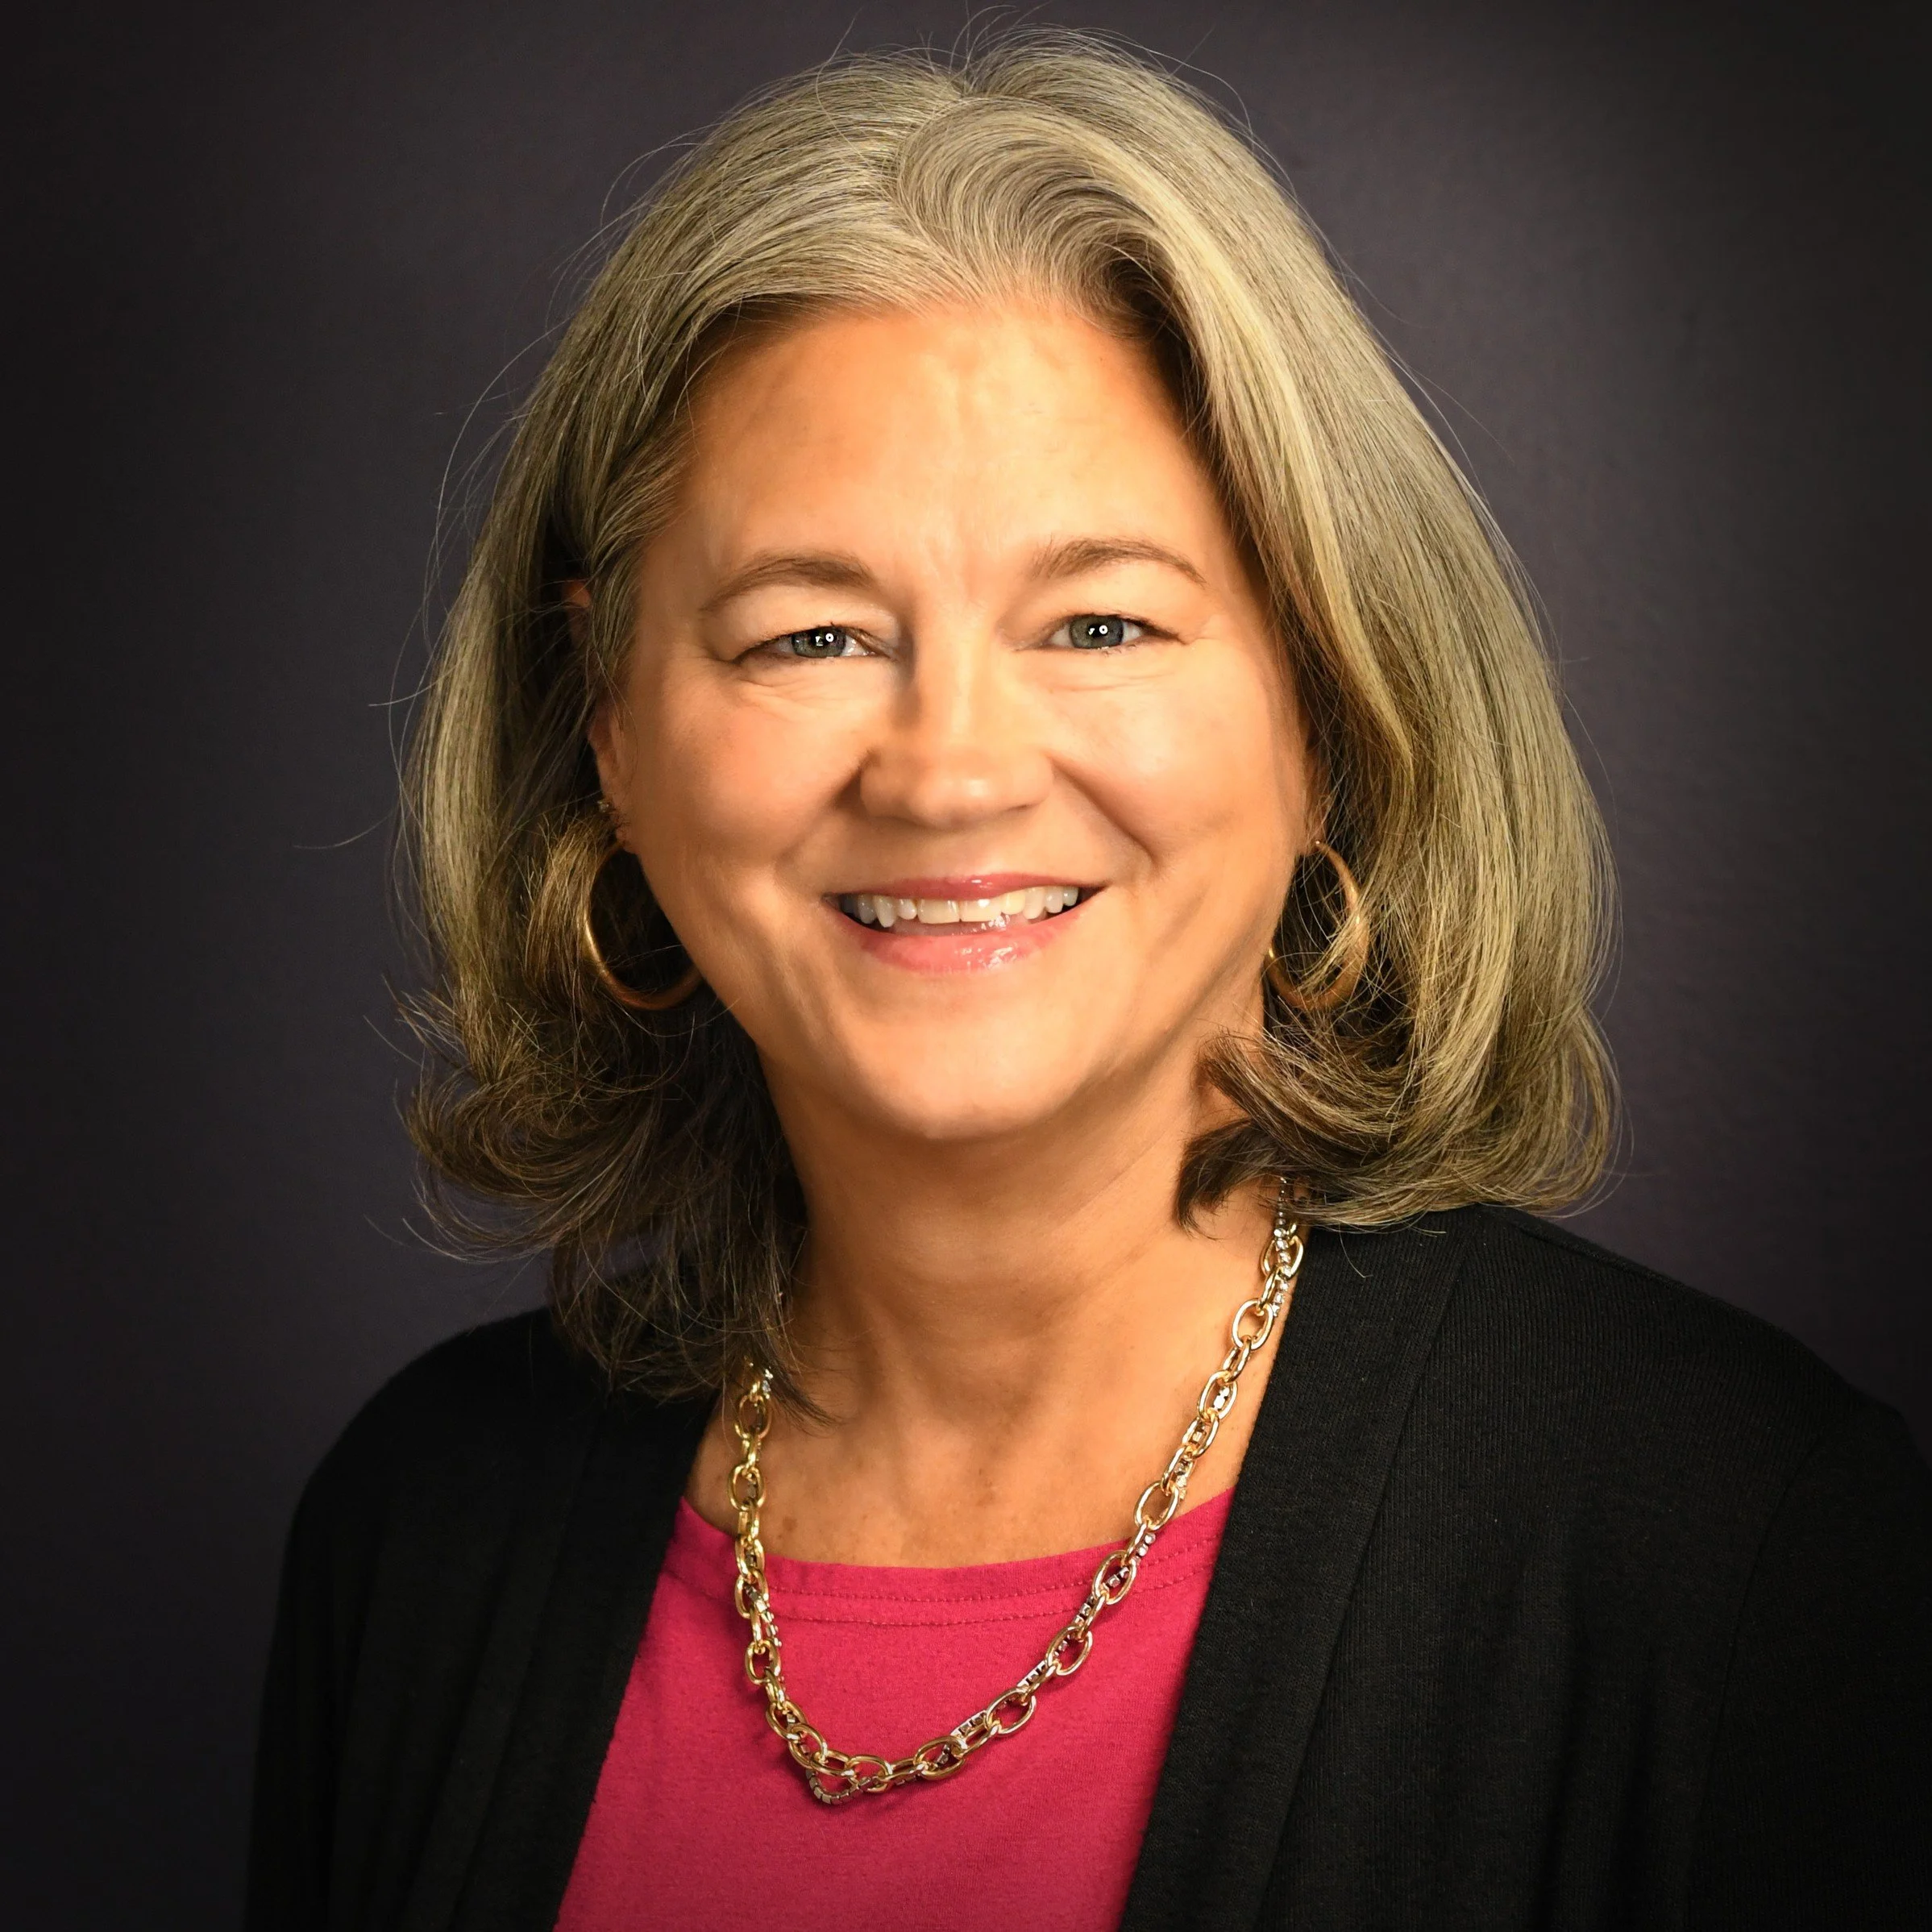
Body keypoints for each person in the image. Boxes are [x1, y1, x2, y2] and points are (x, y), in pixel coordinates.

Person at [246, 35, 1931, 1932]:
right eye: (809, 630)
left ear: (1326, 705)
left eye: (1102, 620)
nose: (948, 770)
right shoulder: (414, 1533)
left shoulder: (1733, 1552)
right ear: (611, 726)